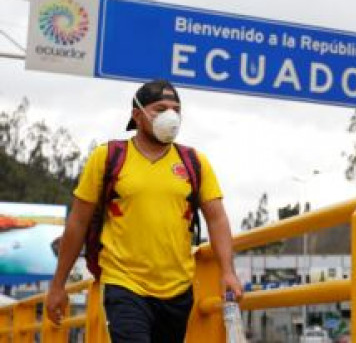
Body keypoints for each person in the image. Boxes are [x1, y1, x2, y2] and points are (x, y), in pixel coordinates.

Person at [45, 79, 243, 342]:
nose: (170, 116)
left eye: (175, 109)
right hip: (123, 283)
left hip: (178, 289)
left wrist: (228, 272)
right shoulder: (108, 157)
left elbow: (216, 219)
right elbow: (78, 222)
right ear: (137, 115)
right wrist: (58, 284)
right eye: (160, 109)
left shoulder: (195, 162)